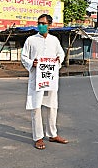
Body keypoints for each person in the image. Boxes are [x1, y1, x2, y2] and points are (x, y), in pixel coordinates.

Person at [21, 14, 68, 150]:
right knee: (36, 107)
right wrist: (32, 63)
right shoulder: (31, 40)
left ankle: (52, 134)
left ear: (49, 25)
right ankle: (38, 137)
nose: (40, 25)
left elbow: (61, 54)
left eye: (43, 23)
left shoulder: (54, 40)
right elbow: (24, 57)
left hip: (51, 79)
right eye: (39, 23)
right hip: (37, 79)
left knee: (52, 106)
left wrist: (58, 60)